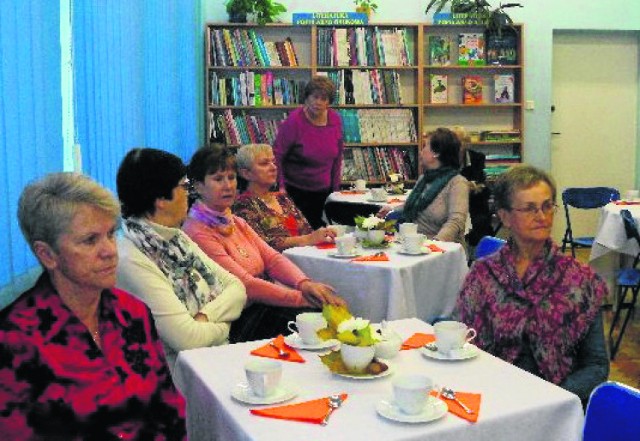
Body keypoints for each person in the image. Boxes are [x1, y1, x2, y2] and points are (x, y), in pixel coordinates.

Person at [0, 172, 186, 439]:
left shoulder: (133, 313)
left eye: (110, 234)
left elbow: (170, 409)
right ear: (48, 254)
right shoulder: (13, 339)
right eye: (90, 240)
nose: (110, 250)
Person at [455, 165, 609, 406]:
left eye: (547, 206)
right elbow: (465, 347)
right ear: (504, 216)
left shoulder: (581, 281)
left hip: (557, 404)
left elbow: (597, 365)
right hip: (491, 398)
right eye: (529, 208)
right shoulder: (483, 275)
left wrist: (550, 397)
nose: (541, 216)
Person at [182, 144, 346, 343]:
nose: (228, 185)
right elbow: (245, 285)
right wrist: (302, 298)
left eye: (231, 178)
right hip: (236, 318)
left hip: (261, 304)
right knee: (321, 323)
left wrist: (305, 284)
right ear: (198, 186)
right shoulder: (198, 231)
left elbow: (272, 258)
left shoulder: (235, 221)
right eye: (218, 179)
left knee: (330, 319)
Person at [116, 148, 246, 371]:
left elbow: (237, 288)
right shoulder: (131, 257)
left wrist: (205, 316)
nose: (189, 194)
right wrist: (226, 325)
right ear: (161, 199)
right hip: (175, 377)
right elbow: (187, 340)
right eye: (184, 187)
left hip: (214, 357)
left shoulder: (176, 237)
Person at [234, 143, 337, 251]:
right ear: (246, 173)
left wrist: (323, 235)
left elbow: (307, 231)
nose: (273, 167)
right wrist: (309, 239)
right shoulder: (242, 205)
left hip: (303, 256)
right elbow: (262, 244)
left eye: (273, 162)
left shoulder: (282, 198)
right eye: (264, 164)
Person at [273, 75, 343, 229]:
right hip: (295, 191)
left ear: (328, 102)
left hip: (324, 191)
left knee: (324, 235)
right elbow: (277, 154)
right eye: (314, 97)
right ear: (307, 97)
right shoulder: (294, 121)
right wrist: (281, 186)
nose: (318, 102)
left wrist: (336, 189)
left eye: (323, 99)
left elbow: (337, 157)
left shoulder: (335, 120)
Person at [378, 127, 469, 245]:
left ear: (436, 153)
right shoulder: (424, 179)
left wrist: (436, 243)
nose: (421, 152)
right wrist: (391, 210)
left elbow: (456, 221)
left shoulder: (457, 183)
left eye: (425, 147)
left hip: (440, 248)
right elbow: (413, 205)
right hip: (412, 242)